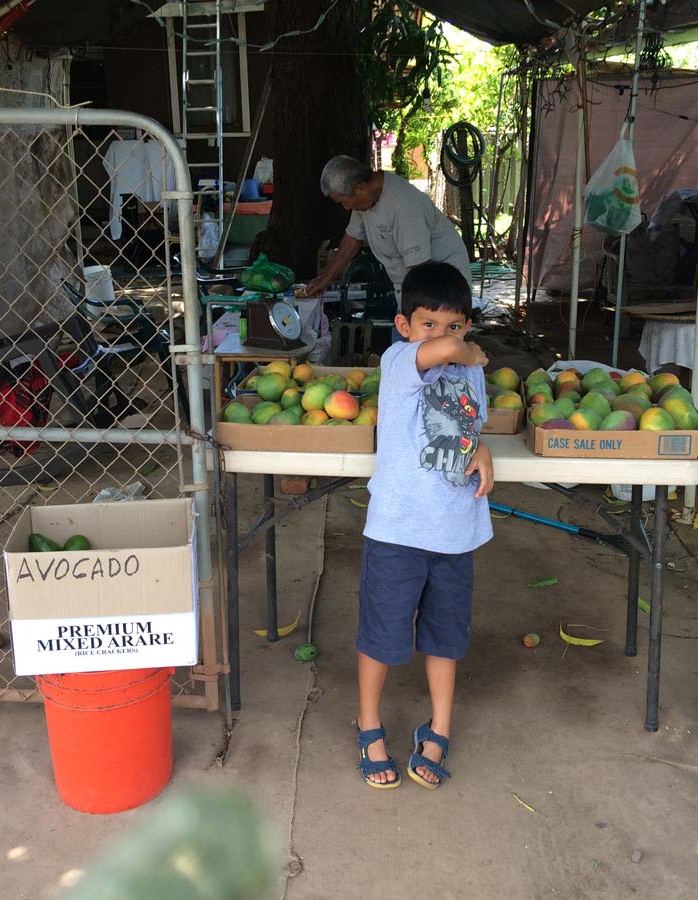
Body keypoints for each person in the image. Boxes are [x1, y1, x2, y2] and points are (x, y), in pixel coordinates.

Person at [354, 260, 494, 790]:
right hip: (396, 531)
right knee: (382, 636)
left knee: (445, 640)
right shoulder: (398, 363)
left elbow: (466, 423)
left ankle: (439, 727)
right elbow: (443, 352)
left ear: (468, 326)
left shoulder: (470, 370)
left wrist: (480, 447)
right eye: (428, 324)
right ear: (404, 326)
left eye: (454, 325)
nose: (442, 336)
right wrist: (462, 345)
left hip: (454, 533)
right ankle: (369, 722)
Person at [303, 155, 472, 342]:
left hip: (440, 286)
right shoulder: (365, 200)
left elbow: (421, 270)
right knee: (407, 349)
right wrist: (325, 279)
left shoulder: (403, 206)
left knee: (433, 349)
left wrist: (417, 318)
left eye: (344, 201)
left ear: (360, 188)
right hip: (410, 285)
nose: (345, 208)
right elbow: (352, 238)